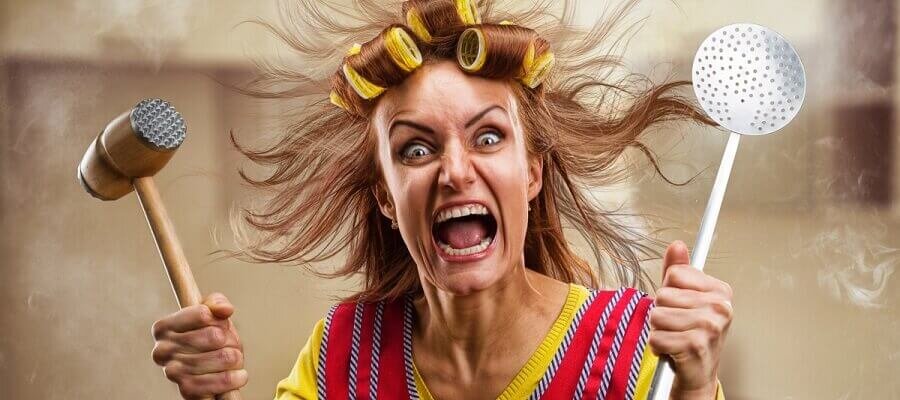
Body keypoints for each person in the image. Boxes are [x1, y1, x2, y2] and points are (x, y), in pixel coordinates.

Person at [150, 0, 733, 399]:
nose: (455, 172)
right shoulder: (342, 360)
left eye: (488, 137)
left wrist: (695, 385)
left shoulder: (643, 351)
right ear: (385, 195)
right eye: (415, 149)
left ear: (532, 173)